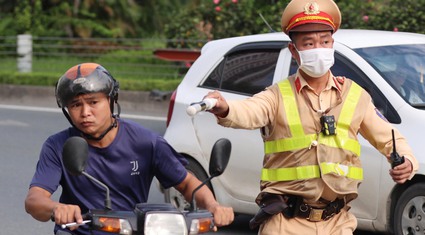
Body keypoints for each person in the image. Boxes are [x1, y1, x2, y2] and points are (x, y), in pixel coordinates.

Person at [203, 0, 418, 234]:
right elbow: (249, 112)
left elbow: (389, 138)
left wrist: (405, 161)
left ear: (332, 44)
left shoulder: (355, 95)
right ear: (294, 51)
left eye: (324, 42)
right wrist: (225, 109)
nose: (319, 48)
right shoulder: (277, 96)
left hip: (338, 222)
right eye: (309, 43)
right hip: (286, 223)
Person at [24, 63, 234, 235]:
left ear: (111, 100)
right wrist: (56, 208)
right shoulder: (58, 145)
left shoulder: (146, 142)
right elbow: (35, 199)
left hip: (131, 230)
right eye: (76, 105)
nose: (85, 112)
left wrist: (213, 206)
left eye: (93, 102)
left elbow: (188, 183)